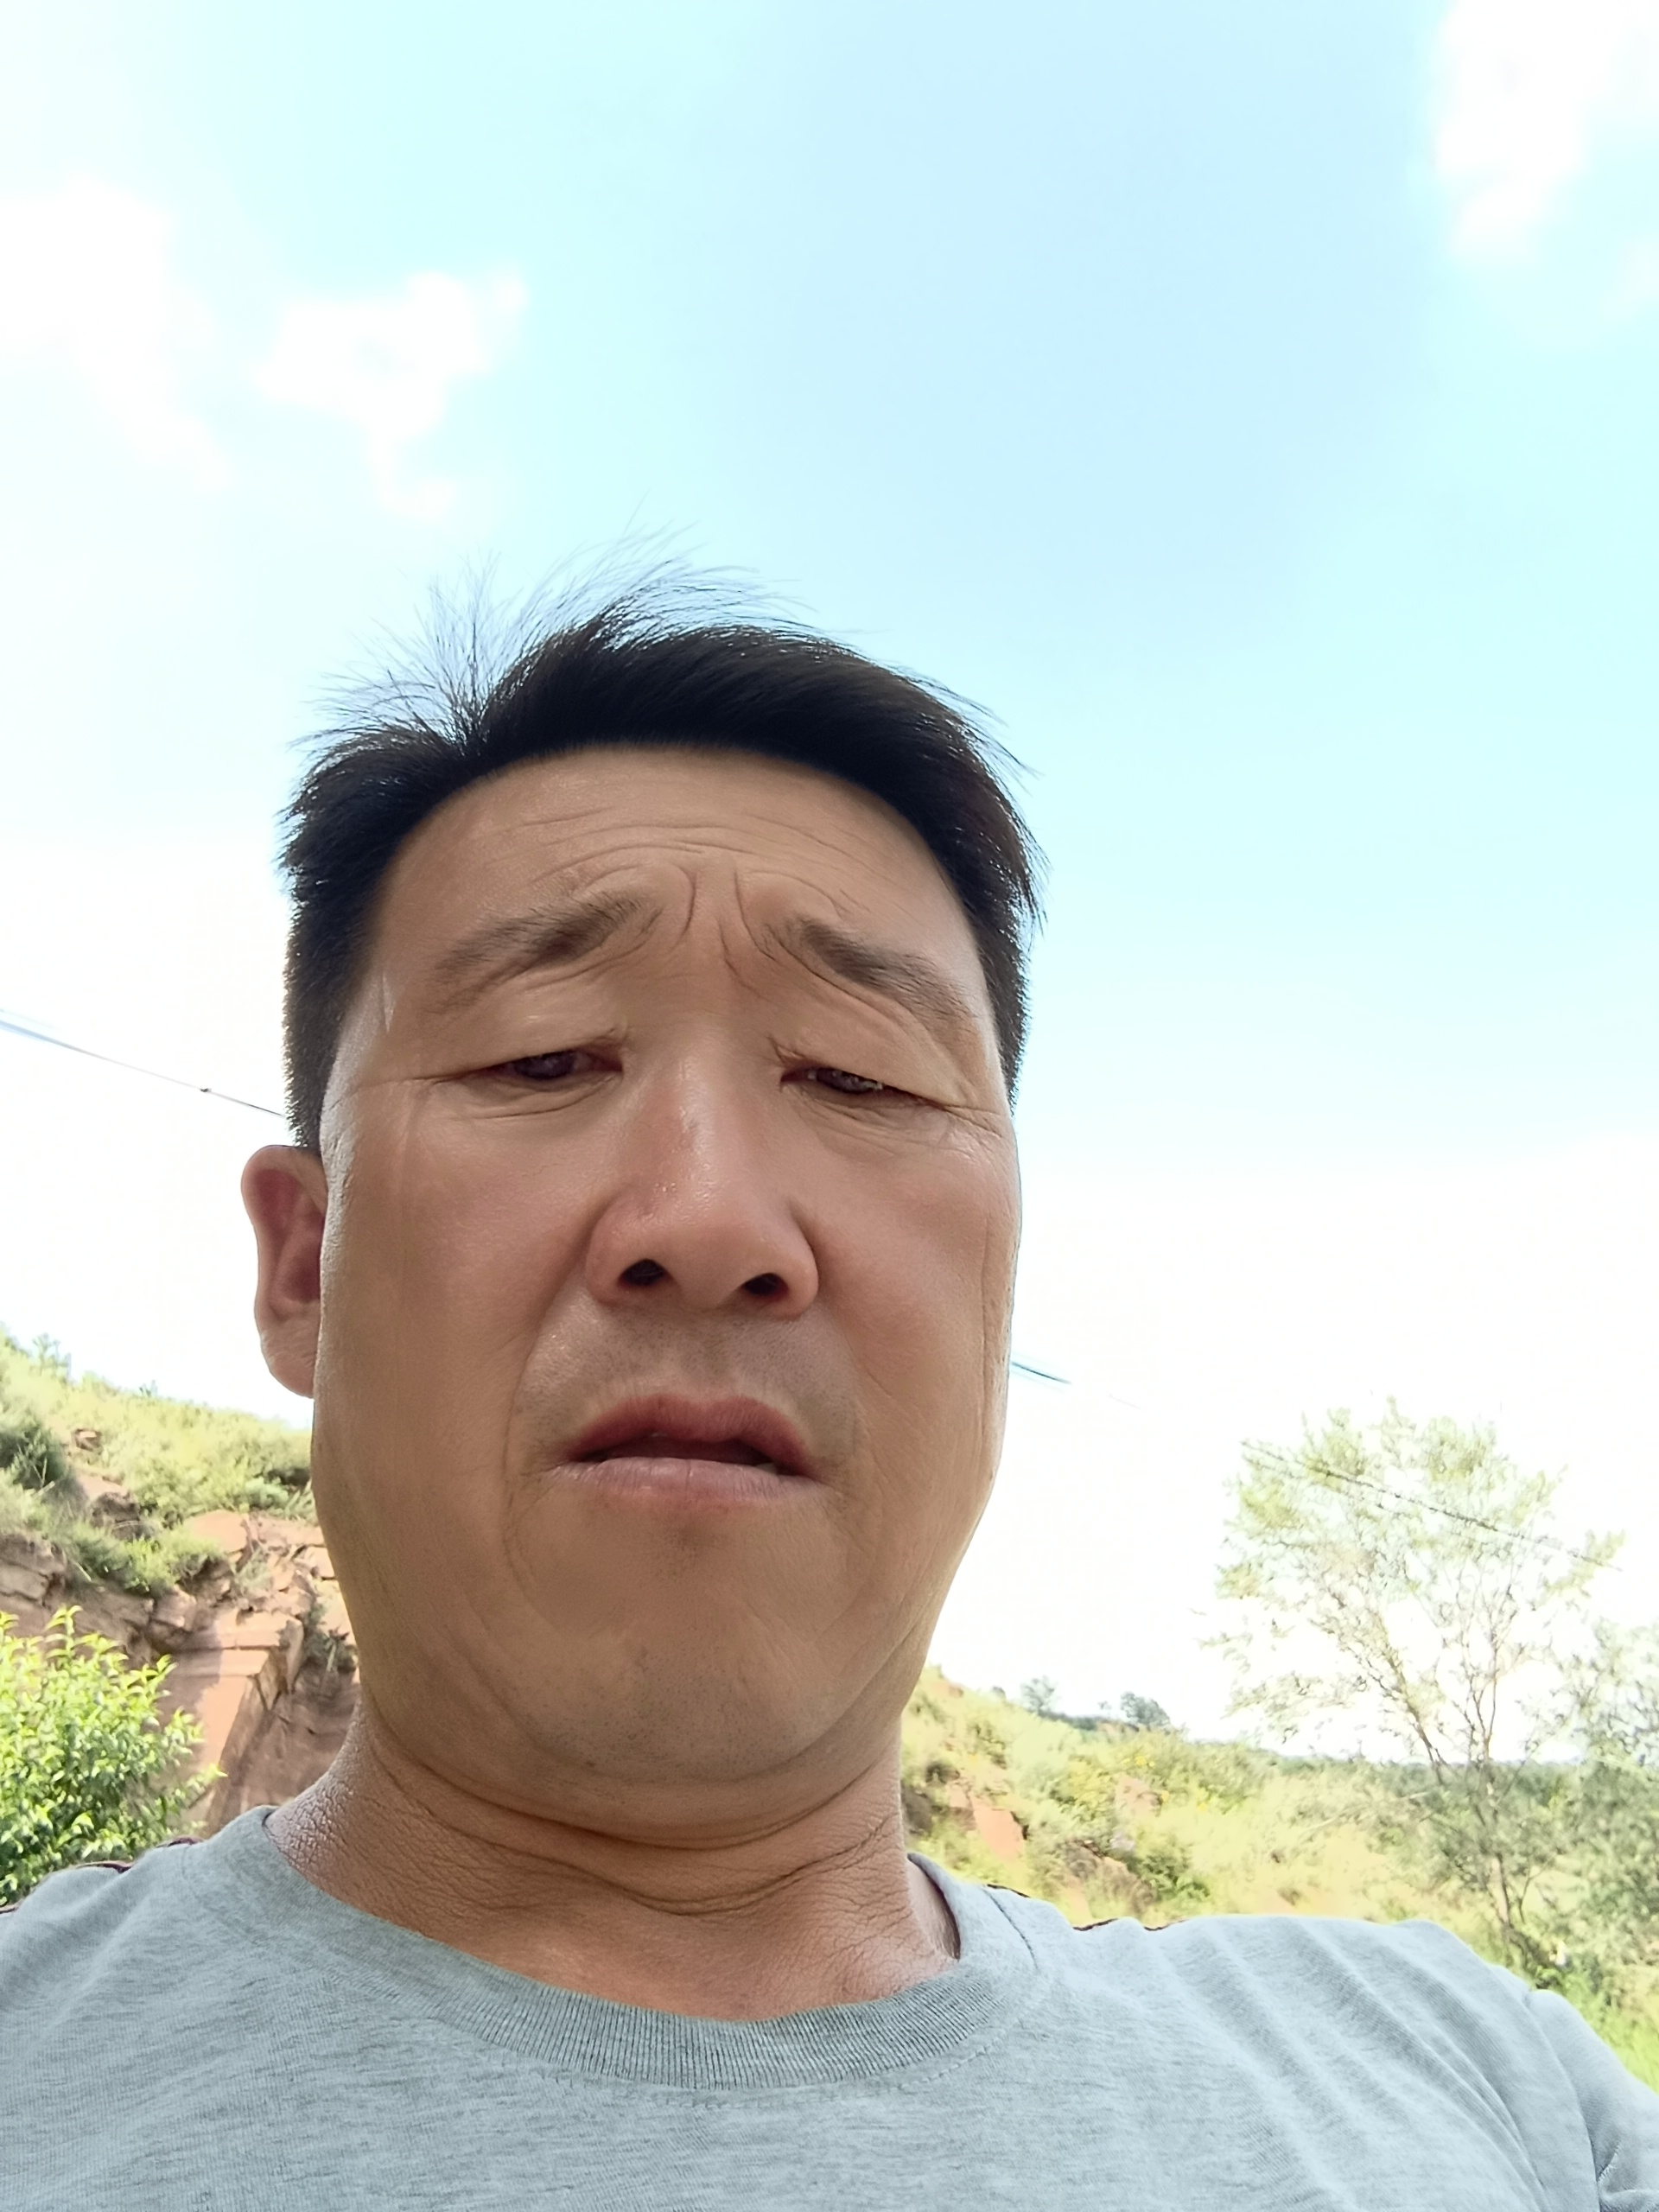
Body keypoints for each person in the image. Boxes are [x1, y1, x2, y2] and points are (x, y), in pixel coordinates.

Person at [3, 578, 1656, 2210]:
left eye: (861, 1077)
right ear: (306, 1265)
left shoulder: (1477, 2086)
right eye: (541, 1056)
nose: (711, 1220)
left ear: (1001, 1278)